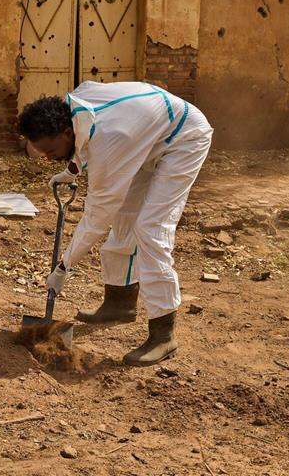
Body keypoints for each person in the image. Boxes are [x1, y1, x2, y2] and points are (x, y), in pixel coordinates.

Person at [17, 80, 213, 366]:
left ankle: (163, 334)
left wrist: (64, 267)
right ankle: (119, 303)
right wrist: (71, 169)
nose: (47, 159)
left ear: (66, 132)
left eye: (50, 151)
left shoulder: (111, 140)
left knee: (150, 228)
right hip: (146, 138)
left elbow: (96, 219)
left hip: (183, 138)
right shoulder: (73, 107)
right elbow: (83, 140)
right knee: (124, 218)